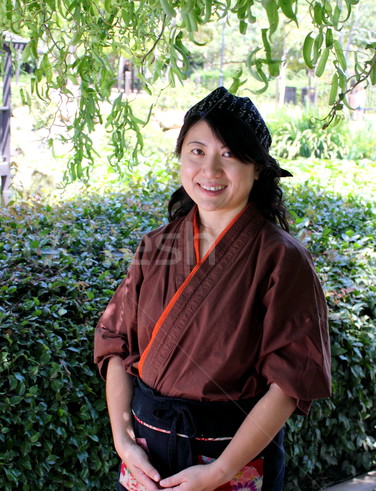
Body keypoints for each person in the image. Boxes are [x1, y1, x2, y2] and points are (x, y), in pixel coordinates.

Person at [94, 87, 331, 491]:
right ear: (181, 157)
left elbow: (290, 383)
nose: (211, 171)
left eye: (230, 155)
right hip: (146, 458)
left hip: (229, 462)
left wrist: (219, 472)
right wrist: (123, 441)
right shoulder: (156, 247)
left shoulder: (282, 259)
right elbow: (115, 344)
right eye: (197, 151)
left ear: (258, 168)